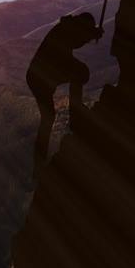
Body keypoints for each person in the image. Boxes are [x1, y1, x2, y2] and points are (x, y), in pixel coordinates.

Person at [26, 12, 102, 176]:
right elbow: (75, 40)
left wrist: (91, 34)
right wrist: (92, 34)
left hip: (40, 76)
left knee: (48, 119)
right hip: (41, 78)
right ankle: (75, 112)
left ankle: (38, 166)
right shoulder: (66, 32)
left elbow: (75, 40)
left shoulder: (66, 27)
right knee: (49, 119)